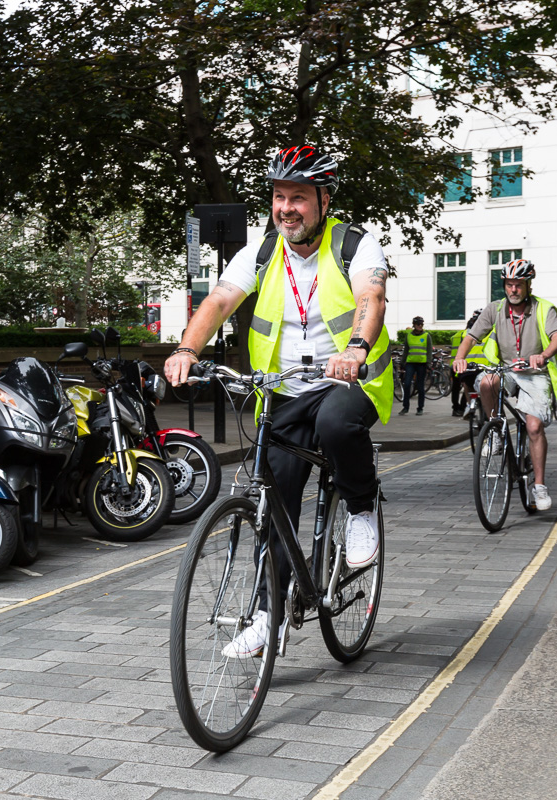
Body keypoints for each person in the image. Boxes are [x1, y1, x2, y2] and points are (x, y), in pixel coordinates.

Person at [164, 145, 393, 658]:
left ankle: (360, 508)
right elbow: (220, 300)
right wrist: (186, 349)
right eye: (278, 197)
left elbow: (369, 298)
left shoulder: (356, 247)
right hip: (284, 390)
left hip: (347, 386)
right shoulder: (261, 254)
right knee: (275, 504)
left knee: (337, 425)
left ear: (323, 201)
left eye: (299, 198)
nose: (286, 207)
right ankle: (270, 614)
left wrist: (355, 349)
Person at [452, 259, 557, 512]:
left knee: (534, 427)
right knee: (487, 381)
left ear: (528, 285)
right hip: (507, 370)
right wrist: (460, 358)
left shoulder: (542, 309)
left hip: (534, 373)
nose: (513, 290)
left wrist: (543, 355)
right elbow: (472, 337)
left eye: (519, 285)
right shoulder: (494, 309)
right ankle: (495, 431)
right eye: (509, 284)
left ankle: (539, 486)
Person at [452, 310, 487, 417]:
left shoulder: (464, 334)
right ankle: (486, 410)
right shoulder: (489, 333)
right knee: (487, 390)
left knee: (467, 386)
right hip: (485, 368)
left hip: (467, 368)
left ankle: (469, 405)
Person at [401, 316, 432, 415]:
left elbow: (429, 351)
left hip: (422, 364)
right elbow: (406, 350)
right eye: (418, 324)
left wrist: (428, 363)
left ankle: (420, 408)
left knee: (420, 386)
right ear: (414, 325)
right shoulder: (409, 336)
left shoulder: (426, 336)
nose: (420, 326)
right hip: (410, 363)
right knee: (407, 384)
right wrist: (403, 362)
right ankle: (405, 407)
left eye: (421, 324)